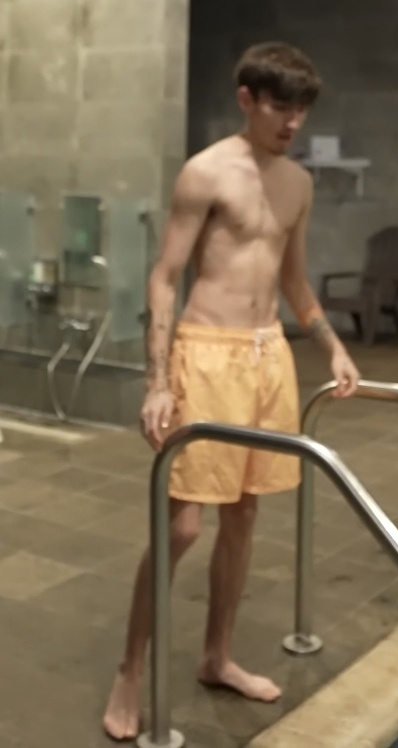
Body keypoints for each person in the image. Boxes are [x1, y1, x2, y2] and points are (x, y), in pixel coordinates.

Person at [103, 40, 360, 741]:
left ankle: (216, 656)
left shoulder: (297, 184)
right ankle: (130, 671)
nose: (293, 123)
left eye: (302, 110)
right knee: (182, 526)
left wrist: (332, 347)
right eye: (280, 107)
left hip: (266, 356)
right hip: (206, 354)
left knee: (244, 517)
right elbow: (165, 276)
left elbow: (293, 280)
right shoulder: (206, 172)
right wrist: (158, 382)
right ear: (247, 99)